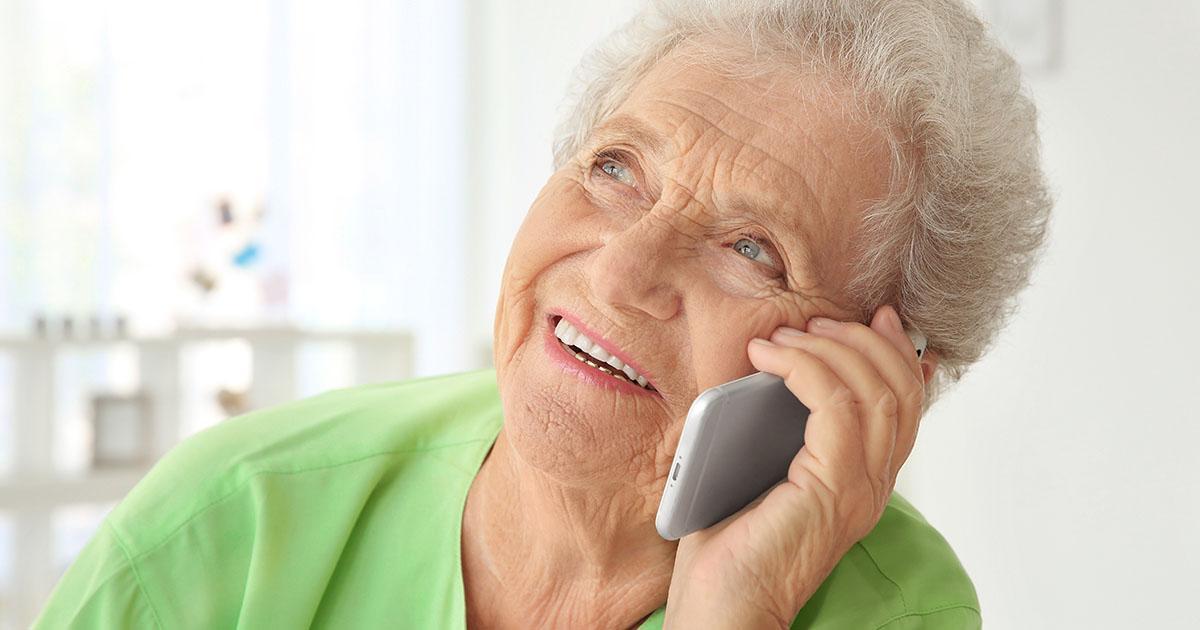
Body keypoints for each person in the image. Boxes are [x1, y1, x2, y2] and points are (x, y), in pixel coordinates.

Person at [36, 0, 1050, 627]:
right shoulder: (231, 521)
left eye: (754, 250)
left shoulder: (898, 615)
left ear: (882, 382)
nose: (622, 272)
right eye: (616, 168)